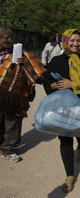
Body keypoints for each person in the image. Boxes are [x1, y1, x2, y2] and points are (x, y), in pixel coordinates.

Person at [43, 29, 80, 193]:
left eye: (78, 40)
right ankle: (70, 175)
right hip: (63, 106)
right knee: (65, 139)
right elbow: (47, 82)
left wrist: (73, 84)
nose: (75, 43)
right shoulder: (56, 60)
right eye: (72, 40)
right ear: (65, 41)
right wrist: (56, 85)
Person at [0, 26, 46, 162]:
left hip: (14, 94)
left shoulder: (15, 53)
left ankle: (8, 149)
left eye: (9, 37)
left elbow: (32, 66)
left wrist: (21, 62)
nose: (9, 40)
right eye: (6, 38)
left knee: (12, 121)